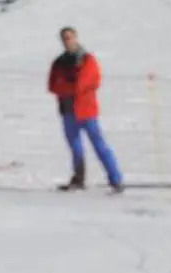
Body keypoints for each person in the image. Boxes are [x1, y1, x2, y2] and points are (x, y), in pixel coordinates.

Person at [49, 27, 125, 193]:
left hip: (86, 111)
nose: (67, 41)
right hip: (68, 111)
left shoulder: (87, 59)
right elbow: (53, 85)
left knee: (99, 145)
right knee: (75, 147)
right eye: (64, 38)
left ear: (76, 38)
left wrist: (66, 86)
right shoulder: (59, 62)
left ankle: (116, 179)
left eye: (69, 38)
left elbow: (81, 85)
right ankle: (79, 178)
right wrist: (68, 86)